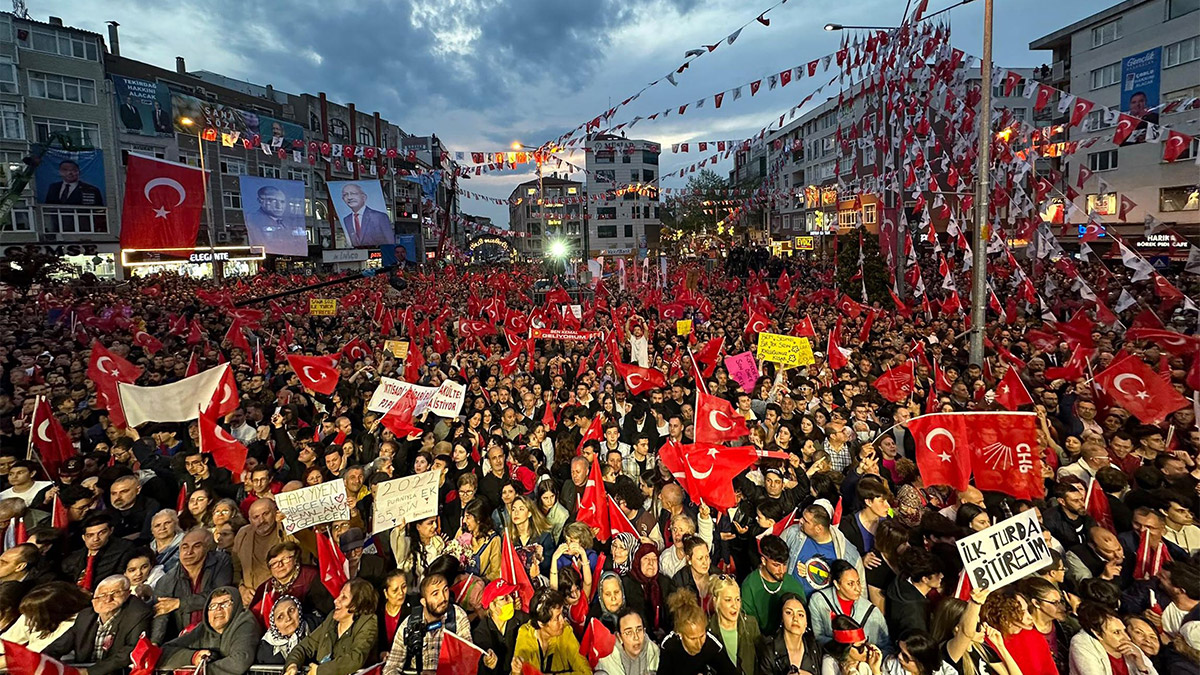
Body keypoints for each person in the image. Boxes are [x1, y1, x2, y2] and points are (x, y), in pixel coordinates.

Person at [44, 575, 154, 675]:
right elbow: (58, 646)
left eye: (116, 593)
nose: (108, 599)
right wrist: (40, 662)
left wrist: (89, 672)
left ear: (128, 593)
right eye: (102, 595)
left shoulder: (138, 613)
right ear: (94, 600)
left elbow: (130, 651)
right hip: (84, 667)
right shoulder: (85, 616)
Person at [159, 586, 263, 675]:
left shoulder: (245, 621)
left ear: (236, 606)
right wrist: (193, 657)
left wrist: (202, 670)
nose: (218, 609)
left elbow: (240, 661)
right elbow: (163, 652)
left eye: (225, 603)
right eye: (212, 606)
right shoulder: (203, 628)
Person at [152, 527, 234, 641]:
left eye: (196, 546)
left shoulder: (221, 561)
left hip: (220, 631)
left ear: (208, 549)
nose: (189, 552)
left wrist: (180, 603)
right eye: (184, 547)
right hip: (186, 638)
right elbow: (161, 617)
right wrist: (154, 644)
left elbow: (220, 595)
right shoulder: (166, 580)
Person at [286, 578, 379, 675]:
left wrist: (320, 671)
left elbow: (356, 658)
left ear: (356, 604)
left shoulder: (368, 622)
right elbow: (306, 646)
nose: (336, 601)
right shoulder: (332, 618)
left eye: (344, 597)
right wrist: (292, 664)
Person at [384, 572, 471, 675]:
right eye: (435, 594)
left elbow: (468, 660)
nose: (443, 598)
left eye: (445, 590)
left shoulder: (458, 617)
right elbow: (391, 667)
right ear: (423, 602)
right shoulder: (409, 624)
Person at [810, 560, 890, 652]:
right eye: (850, 584)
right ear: (837, 584)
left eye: (858, 582)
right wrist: (846, 648)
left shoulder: (872, 611)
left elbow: (886, 646)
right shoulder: (819, 601)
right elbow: (818, 638)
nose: (858, 589)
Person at [0, 581, 91, 662]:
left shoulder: (72, 624)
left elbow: (33, 656)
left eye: (31, 615)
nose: (27, 618)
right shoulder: (33, 613)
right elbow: (5, 643)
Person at [512, 587, 591, 675]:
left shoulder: (566, 631)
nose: (563, 620)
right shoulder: (525, 633)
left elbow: (586, 672)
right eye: (557, 618)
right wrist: (516, 671)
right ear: (541, 623)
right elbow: (519, 669)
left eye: (562, 614)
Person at [659, 589, 737, 675]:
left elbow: (731, 671)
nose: (699, 644)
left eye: (702, 636)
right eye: (693, 639)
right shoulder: (669, 646)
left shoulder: (711, 643)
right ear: (680, 634)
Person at [1068, 603, 1159, 675]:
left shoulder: (1130, 647)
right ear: (1098, 634)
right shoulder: (1082, 644)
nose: (1126, 638)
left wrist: (1141, 666)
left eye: (1124, 631)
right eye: (1117, 632)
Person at [61, 512, 134, 592]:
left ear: (111, 531)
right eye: (90, 535)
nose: (96, 539)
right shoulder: (72, 559)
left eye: (102, 533)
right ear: (83, 537)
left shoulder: (124, 549)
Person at [707, 573, 761, 675]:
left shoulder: (751, 625)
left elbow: (760, 663)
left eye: (737, 599)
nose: (735, 606)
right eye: (728, 600)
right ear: (715, 601)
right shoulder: (707, 630)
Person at [758, 592, 822, 675]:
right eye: (789, 613)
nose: (795, 618)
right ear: (781, 618)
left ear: (806, 622)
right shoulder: (769, 651)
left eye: (800, 615)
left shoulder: (815, 649)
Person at [472, 579, 527, 675]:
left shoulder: (521, 619)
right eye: (504, 598)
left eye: (510, 595)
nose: (511, 600)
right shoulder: (481, 633)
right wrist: (488, 664)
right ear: (492, 606)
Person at [245, 184, 307, 256]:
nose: (279, 206)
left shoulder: (289, 223)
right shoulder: (252, 220)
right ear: (260, 201)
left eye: (282, 202)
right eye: (273, 201)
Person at [596, 608, 660, 675]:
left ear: (644, 631)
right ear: (619, 637)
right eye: (629, 632)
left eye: (639, 630)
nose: (636, 637)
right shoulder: (607, 659)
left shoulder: (654, 653)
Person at [257, 595, 313, 665]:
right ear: (274, 624)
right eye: (280, 617)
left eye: (291, 610)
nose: (288, 618)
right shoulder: (265, 648)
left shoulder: (315, 627)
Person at [340, 183, 393, 247]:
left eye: (353, 193)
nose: (349, 197)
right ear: (343, 199)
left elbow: (390, 240)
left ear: (364, 197)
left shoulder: (380, 216)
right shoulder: (346, 219)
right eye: (345, 195)